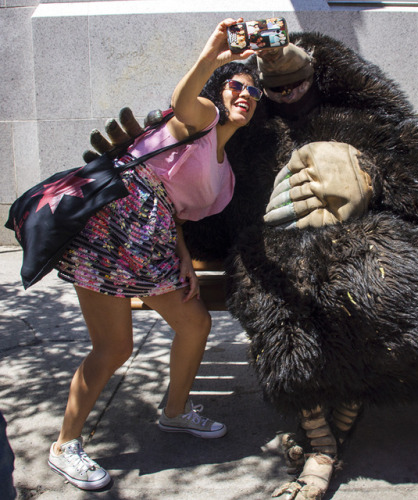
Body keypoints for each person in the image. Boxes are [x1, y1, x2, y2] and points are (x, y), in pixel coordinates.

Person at [47, 18, 261, 491]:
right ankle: (65, 445)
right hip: (113, 226)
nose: (245, 94)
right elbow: (182, 100)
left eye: (253, 92)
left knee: (195, 322)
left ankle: (176, 411)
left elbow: (175, 208)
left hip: (157, 238)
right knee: (114, 347)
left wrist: (182, 253)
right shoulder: (202, 116)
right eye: (237, 87)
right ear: (221, 92)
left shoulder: (224, 172)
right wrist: (213, 56)